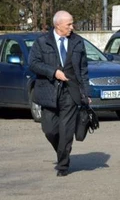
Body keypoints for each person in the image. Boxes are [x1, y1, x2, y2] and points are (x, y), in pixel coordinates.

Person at [29, 11, 91, 177]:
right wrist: (53, 72)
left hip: (71, 93)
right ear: (57, 25)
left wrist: (86, 92)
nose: (72, 27)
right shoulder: (42, 42)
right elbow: (33, 64)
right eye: (68, 24)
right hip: (49, 92)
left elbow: (83, 69)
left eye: (72, 24)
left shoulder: (77, 42)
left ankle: (63, 165)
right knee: (50, 130)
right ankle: (62, 152)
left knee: (66, 130)